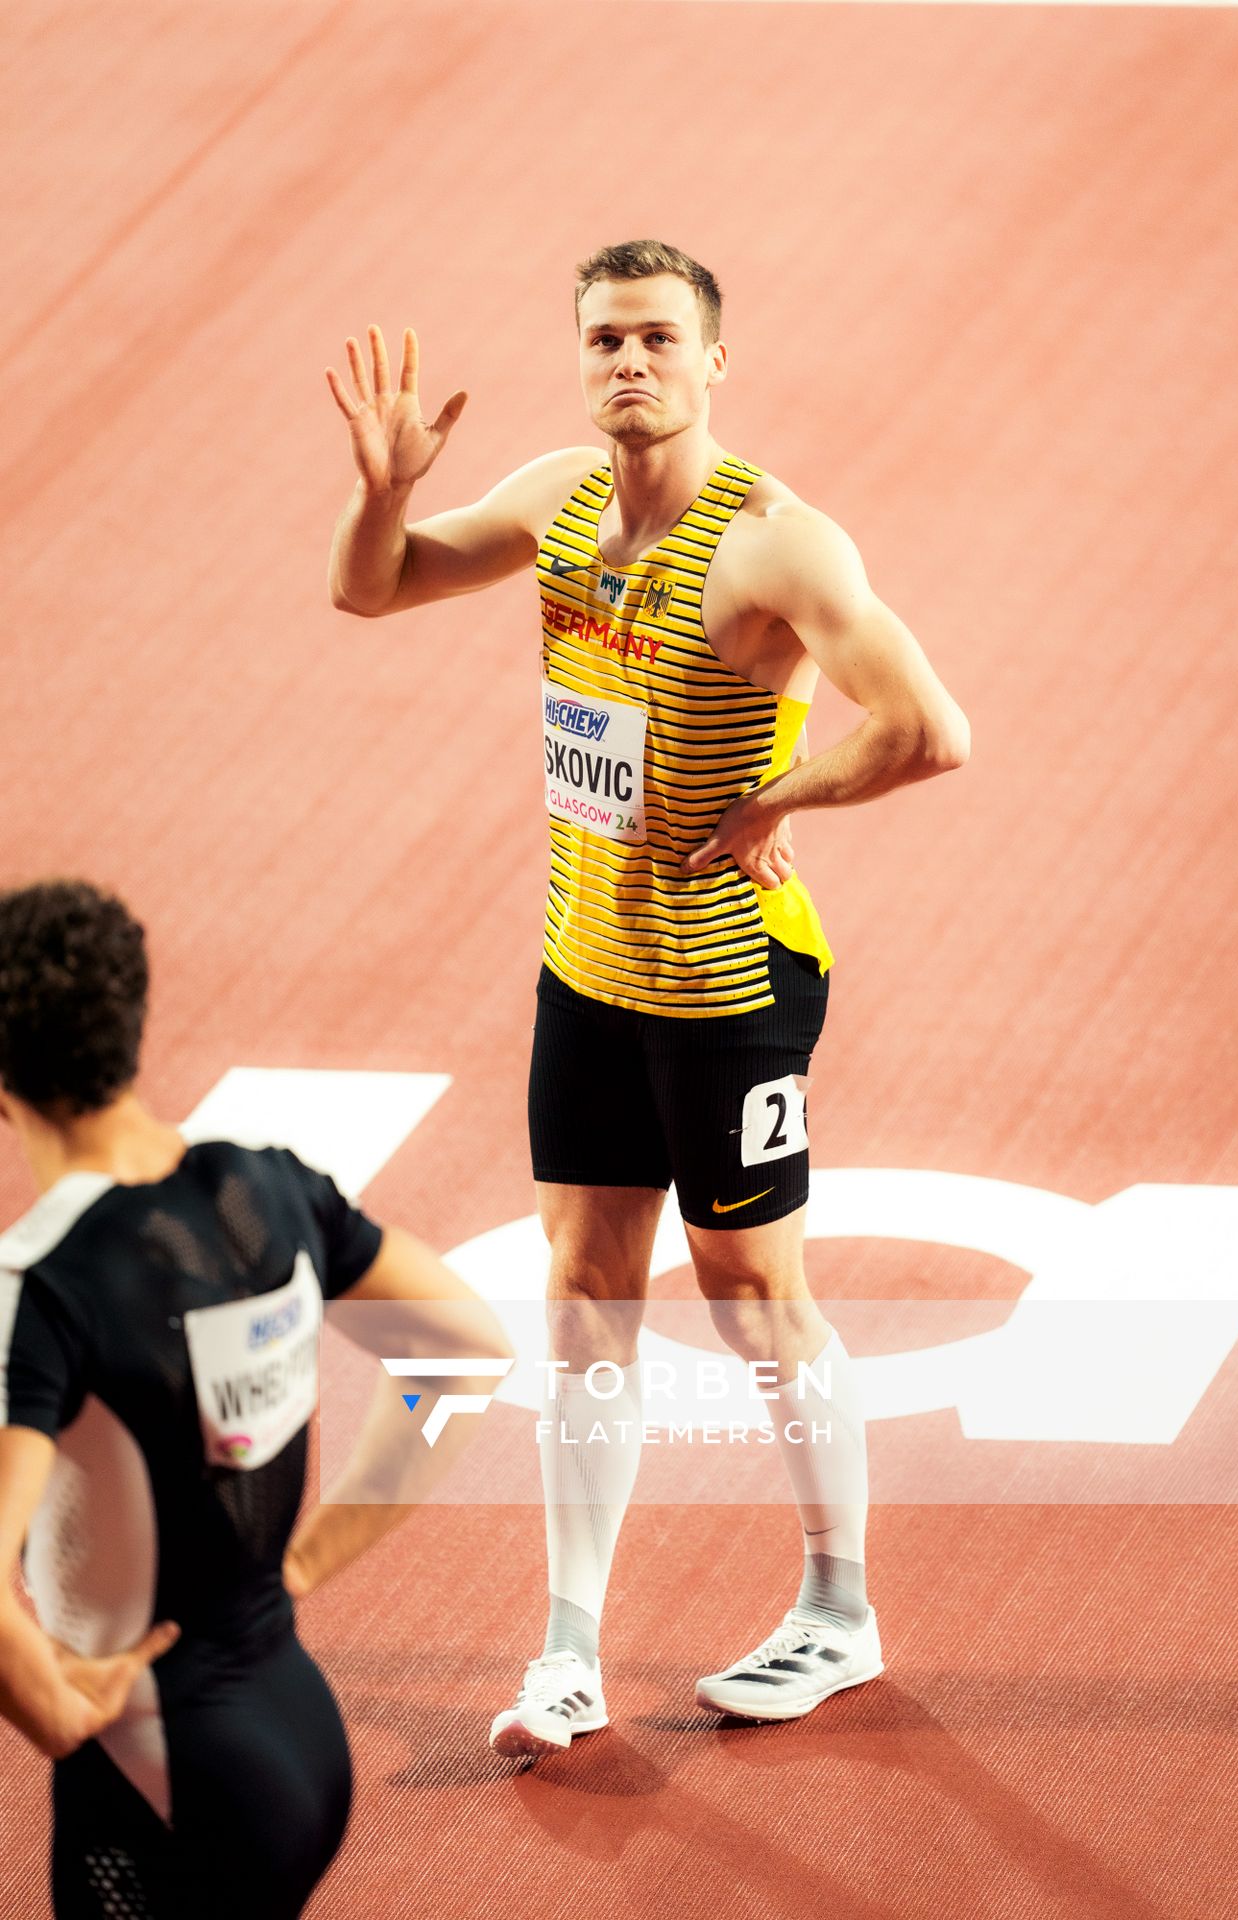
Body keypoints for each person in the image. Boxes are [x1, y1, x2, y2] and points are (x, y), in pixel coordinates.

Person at [326, 238, 970, 1754]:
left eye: (660, 340)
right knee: (585, 1297)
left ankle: (839, 1609)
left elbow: (931, 729)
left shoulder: (775, 546)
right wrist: (384, 487)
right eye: (607, 338)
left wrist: (773, 799)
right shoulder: (557, 499)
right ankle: (567, 1656)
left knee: (754, 1295)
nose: (632, 363)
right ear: (581, 356)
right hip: (589, 966)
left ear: (714, 361)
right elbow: (374, 591)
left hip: (732, 980)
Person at [0, 879, 510, 1915]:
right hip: (295, 1730)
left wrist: (51, 1711)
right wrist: (303, 1563)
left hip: (158, 1767)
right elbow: (463, 1353)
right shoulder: (269, 1188)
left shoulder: (42, 1283)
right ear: (130, 1028)